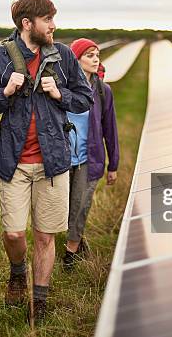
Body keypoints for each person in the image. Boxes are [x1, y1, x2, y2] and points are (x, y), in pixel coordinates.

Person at [0, 0, 93, 322]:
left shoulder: (63, 56)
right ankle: (17, 272)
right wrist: (4, 93)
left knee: (45, 235)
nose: (54, 25)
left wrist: (59, 93)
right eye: (48, 19)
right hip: (14, 162)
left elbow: (84, 100)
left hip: (53, 163)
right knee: (13, 233)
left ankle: (39, 299)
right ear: (27, 23)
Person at [63, 38, 119, 269]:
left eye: (97, 54)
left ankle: (71, 252)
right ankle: (77, 239)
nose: (95, 59)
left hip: (90, 159)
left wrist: (113, 164)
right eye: (89, 55)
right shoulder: (62, 89)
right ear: (76, 60)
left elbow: (110, 130)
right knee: (63, 207)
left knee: (80, 205)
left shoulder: (103, 91)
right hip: (63, 158)